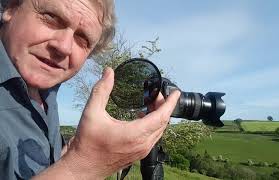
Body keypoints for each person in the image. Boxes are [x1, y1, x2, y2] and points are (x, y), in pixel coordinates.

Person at [0, 0, 180, 179]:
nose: (63, 47)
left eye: (82, 39)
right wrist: (84, 166)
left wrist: (77, 151)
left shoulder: (46, 95)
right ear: (11, 7)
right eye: (51, 18)